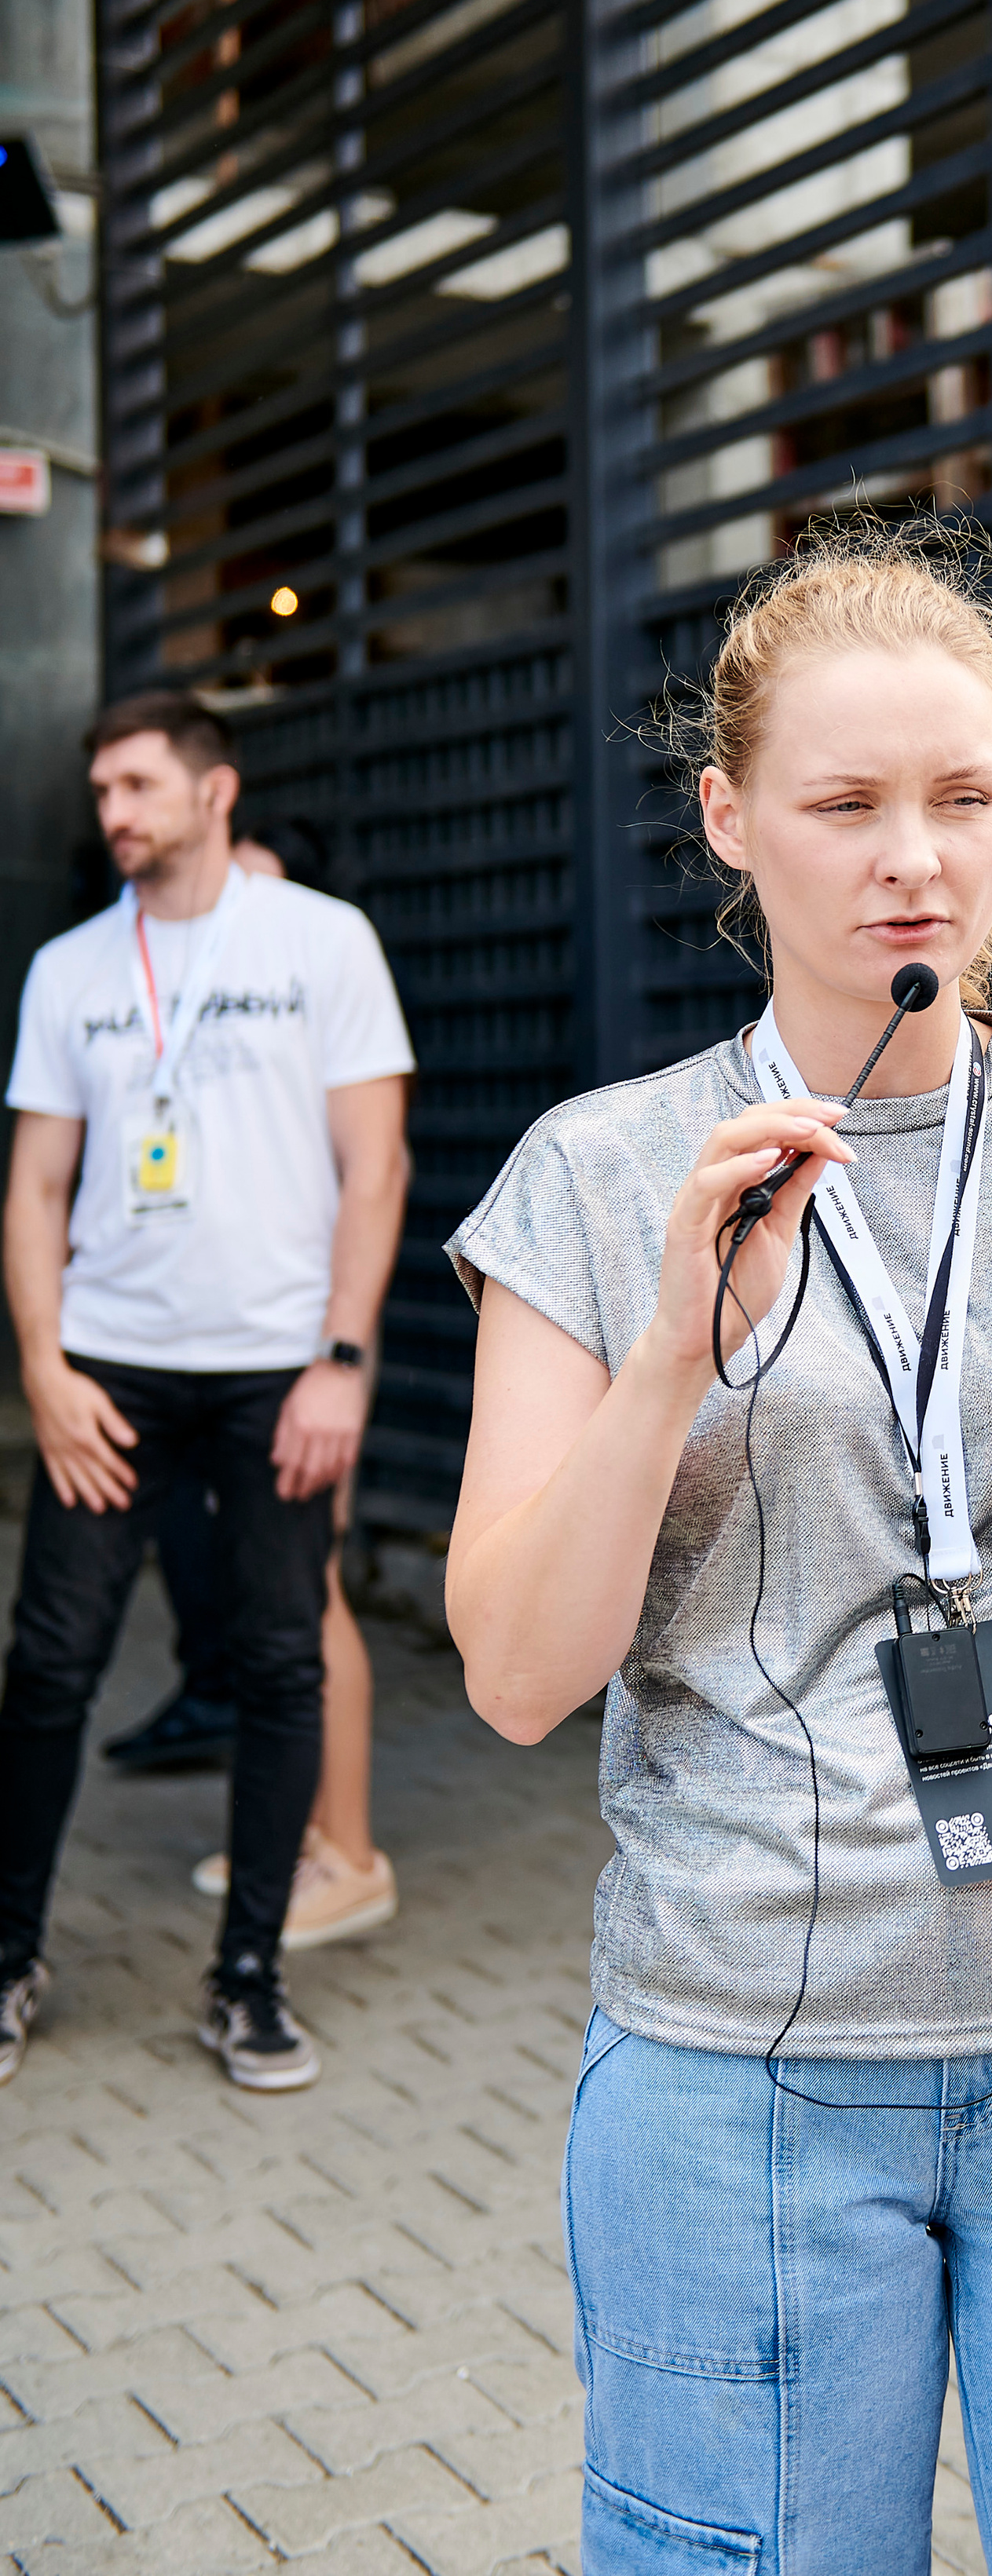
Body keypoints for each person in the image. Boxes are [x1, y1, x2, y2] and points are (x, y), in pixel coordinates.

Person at [442, 523, 992, 2576]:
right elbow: (507, 1674)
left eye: (960, 798)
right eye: (845, 806)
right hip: (747, 2049)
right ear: (729, 819)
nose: (910, 856)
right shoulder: (594, 1174)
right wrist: (677, 1346)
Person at [0, 691, 412, 2091]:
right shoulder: (71, 970)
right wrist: (46, 1371)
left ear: (212, 789)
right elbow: (36, 1184)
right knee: (50, 1666)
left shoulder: (322, 942)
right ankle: (10, 1959)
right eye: (101, 791)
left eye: (136, 785)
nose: (114, 812)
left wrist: (341, 1363)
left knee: (281, 1661)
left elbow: (378, 1169)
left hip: (275, 1372)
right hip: (110, 1372)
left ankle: (250, 1981)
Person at [110, 818, 402, 1949]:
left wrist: (339, 1352)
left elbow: (362, 1184)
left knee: (311, 1587)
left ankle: (350, 1854)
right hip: (257, 1343)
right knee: (276, 1587)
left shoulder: (325, 996)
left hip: (312, 1341)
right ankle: (298, 1831)